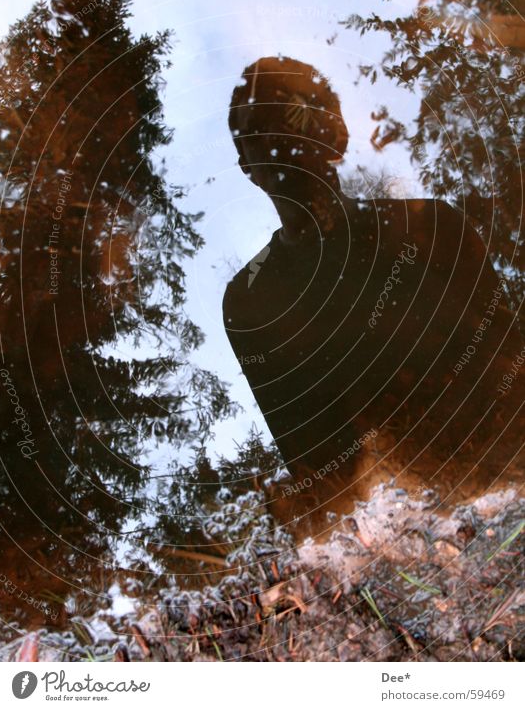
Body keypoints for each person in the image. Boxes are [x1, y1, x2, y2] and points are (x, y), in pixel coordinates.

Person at [222, 56, 523, 491]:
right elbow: (320, 472)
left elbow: (512, 368)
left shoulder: (434, 227)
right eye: (261, 127)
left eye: (298, 114)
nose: (284, 140)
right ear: (246, 165)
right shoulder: (250, 303)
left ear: (337, 137)